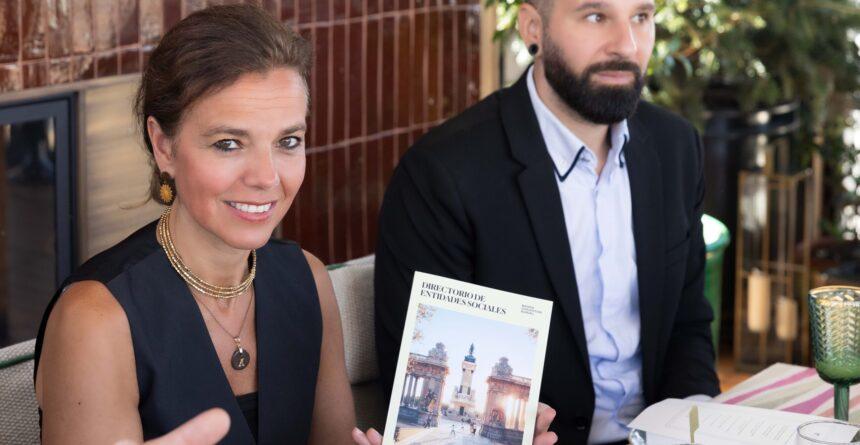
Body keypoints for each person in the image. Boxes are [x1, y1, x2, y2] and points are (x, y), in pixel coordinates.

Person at [374, 0, 721, 443]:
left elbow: (688, 323)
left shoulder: (676, 148)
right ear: (533, 26)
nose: (627, 44)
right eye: (595, 16)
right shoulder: (443, 176)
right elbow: (436, 401)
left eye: (641, 17)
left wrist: (696, 423)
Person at [34, 5, 360, 443]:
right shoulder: (95, 320)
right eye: (228, 143)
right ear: (163, 145)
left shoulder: (308, 280)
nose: (266, 177)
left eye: (288, 141)